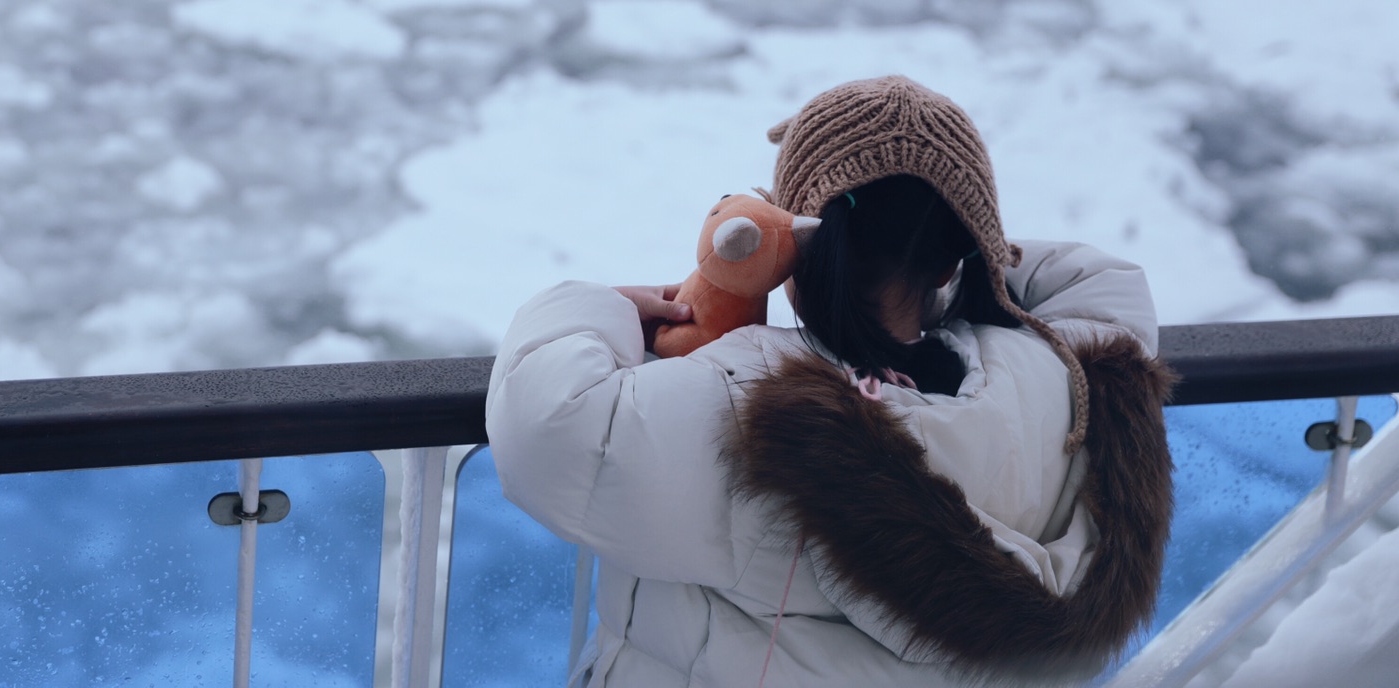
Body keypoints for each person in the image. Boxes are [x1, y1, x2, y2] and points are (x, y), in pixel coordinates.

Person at [486, 76, 1174, 686]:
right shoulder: (1065, 384)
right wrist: (973, 257)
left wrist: (593, 307)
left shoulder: (749, 397)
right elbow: (1098, 283)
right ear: (954, 256)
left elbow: (548, 423)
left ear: (793, 248)